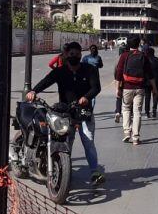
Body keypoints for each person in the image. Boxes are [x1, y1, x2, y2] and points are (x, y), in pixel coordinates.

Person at [27, 41, 105, 186]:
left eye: (76, 53)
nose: (74, 56)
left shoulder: (89, 69)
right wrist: (34, 91)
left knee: (88, 142)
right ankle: (64, 171)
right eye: (71, 54)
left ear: (81, 55)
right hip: (65, 113)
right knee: (66, 142)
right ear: (66, 55)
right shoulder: (60, 71)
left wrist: (86, 97)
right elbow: (46, 81)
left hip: (84, 112)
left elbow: (96, 88)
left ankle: (94, 171)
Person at [115, 36, 154, 145]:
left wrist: (117, 89)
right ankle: (136, 137)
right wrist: (154, 89)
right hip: (140, 88)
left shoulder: (124, 55)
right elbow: (150, 74)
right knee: (137, 112)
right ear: (138, 44)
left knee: (126, 109)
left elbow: (118, 74)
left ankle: (127, 132)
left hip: (127, 87)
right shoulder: (143, 56)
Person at [144, 47, 158, 118]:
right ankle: (154, 109)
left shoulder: (144, 60)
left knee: (147, 96)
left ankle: (147, 112)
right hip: (156, 80)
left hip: (146, 81)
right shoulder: (156, 59)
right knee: (155, 94)